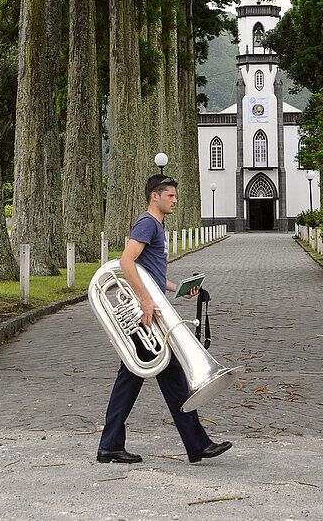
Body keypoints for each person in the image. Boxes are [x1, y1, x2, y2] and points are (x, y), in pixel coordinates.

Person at [97, 174, 233, 464]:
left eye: (174, 195)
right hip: (147, 315)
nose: (174, 200)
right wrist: (146, 300)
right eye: (169, 195)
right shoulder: (148, 223)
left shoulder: (156, 225)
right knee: (150, 376)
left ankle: (114, 445)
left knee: (145, 377)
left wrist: (177, 289)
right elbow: (125, 261)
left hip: (151, 311)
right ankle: (195, 444)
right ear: (154, 197)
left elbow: (152, 273)